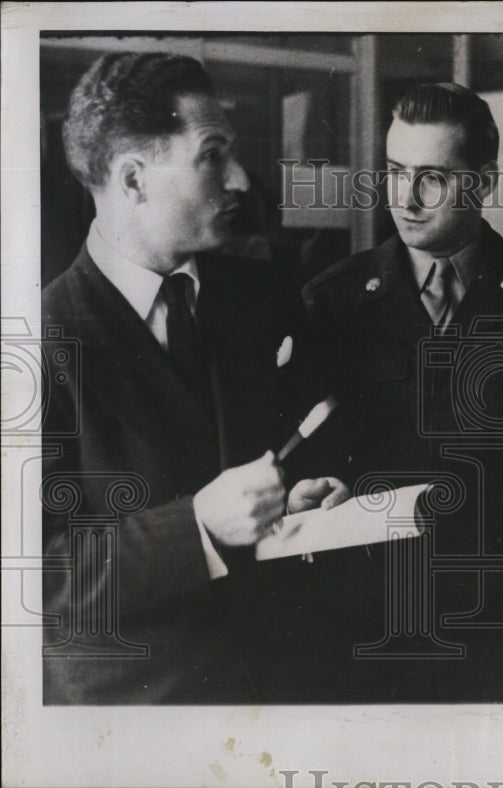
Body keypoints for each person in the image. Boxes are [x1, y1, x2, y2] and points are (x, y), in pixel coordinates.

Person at [301, 82, 503, 702]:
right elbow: (309, 453)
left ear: (481, 182)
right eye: (395, 172)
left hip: (500, 620)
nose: (406, 198)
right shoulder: (335, 300)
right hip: (363, 617)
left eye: (433, 178)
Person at [41, 51, 344, 704]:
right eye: (212, 155)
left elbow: (278, 450)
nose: (238, 179)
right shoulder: (37, 339)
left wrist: (289, 504)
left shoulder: (260, 297)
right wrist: (199, 526)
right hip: (138, 710)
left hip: (281, 687)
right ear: (132, 180)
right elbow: (36, 570)